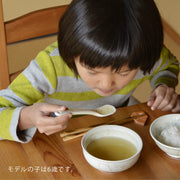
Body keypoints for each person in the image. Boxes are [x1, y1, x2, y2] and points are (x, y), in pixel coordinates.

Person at [0, 0, 179, 143]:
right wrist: (28, 118)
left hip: (116, 123)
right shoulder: (51, 67)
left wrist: (163, 85)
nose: (107, 84)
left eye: (124, 73)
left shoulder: (142, 55)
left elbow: (168, 65)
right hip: (54, 136)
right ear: (69, 51)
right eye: (92, 72)